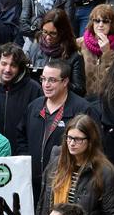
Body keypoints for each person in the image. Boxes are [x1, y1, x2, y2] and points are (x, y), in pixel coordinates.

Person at [26, 60, 96, 197]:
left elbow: (94, 146)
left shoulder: (82, 109)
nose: (46, 85)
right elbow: (21, 136)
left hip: (66, 183)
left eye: (52, 80)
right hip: (33, 183)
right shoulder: (34, 106)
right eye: (43, 79)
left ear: (65, 82)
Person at [77, 5, 114, 97]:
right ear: (92, 23)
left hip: (109, 100)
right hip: (84, 99)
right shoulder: (79, 44)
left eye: (105, 21)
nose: (100, 25)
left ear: (111, 24)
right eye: (97, 21)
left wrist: (107, 52)